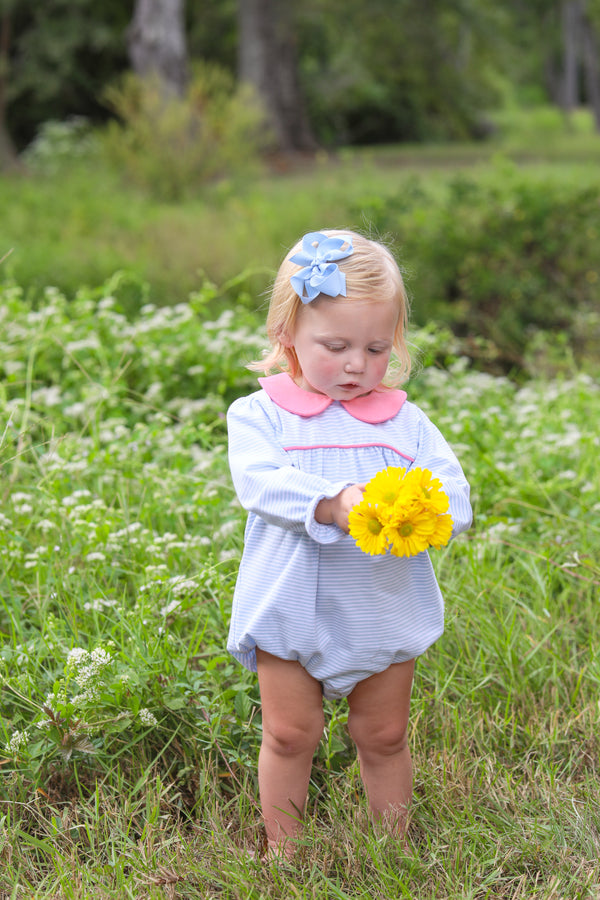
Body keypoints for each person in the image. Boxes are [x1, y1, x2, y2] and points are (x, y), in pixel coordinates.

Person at [226, 229, 472, 859]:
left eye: (375, 348)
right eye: (335, 346)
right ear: (288, 338)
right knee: (289, 732)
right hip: (291, 605)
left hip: (380, 601)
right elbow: (261, 484)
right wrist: (334, 502)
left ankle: (393, 845)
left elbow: (452, 489)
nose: (357, 364)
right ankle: (286, 850)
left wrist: (428, 507)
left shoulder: (404, 421)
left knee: (385, 732)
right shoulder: (261, 415)